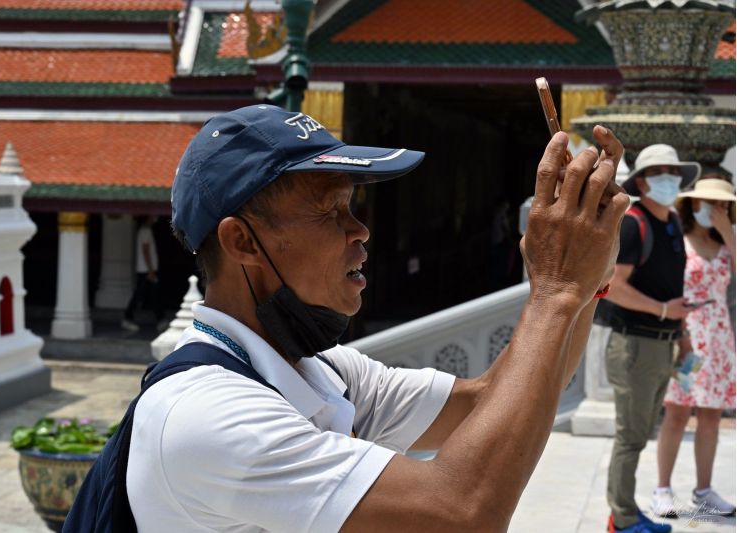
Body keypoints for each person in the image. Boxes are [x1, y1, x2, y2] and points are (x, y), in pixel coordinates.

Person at [126, 104, 628, 532]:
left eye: (353, 207)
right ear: (242, 241)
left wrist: (588, 280)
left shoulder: (324, 372)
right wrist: (557, 291)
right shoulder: (207, 414)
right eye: (330, 211)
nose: (360, 230)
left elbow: (494, 401)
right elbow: (460, 513)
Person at [599, 144, 700, 533]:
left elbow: (672, 290)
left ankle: (627, 513)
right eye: (658, 173)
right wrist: (662, 311)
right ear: (641, 182)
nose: (668, 179)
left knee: (641, 434)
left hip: (663, 343)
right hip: (635, 345)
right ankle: (622, 520)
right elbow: (614, 286)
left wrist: (682, 335)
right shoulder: (632, 223)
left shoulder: (672, 222)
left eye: (673, 172)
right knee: (630, 438)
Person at [652, 176, 736, 519]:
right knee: (677, 411)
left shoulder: (726, 243)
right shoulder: (679, 239)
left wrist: (728, 233)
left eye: (723, 204)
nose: (717, 209)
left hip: (719, 339)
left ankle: (704, 490)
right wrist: (680, 334)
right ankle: (662, 489)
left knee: (711, 414)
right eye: (710, 203)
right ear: (694, 203)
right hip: (689, 335)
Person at [122, 215, 165, 332]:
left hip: (147, 270)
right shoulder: (145, 230)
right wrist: (150, 271)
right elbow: (145, 251)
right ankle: (128, 318)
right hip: (146, 271)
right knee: (141, 295)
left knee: (153, 295)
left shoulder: (146, 230)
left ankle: (160, 319)